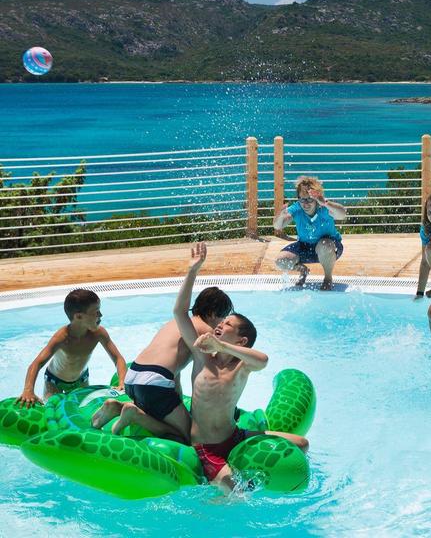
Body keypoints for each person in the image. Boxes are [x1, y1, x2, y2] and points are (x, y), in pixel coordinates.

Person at [175, 242, 309, 492]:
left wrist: (223, 347)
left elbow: (263, 360)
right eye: (221, 321)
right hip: (206, 446)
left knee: (302, 444)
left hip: (235, 437)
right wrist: (193, 271)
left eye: (227, 325)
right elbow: (179, 313)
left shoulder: (242, 366)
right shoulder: (202, 357)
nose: (219, 325)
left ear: (241, 341)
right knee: (236, 490)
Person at [91, 285, 233, 442]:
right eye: (223, 318)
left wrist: (176, 405)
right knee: (187, 436)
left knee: (160, 411)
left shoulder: (176, 323)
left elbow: (175, 374)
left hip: (134, 376)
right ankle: (134, 414)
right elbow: (202, 375)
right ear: (213, 313)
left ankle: (116, 408)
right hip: (154, 382)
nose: (221, 325)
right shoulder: (206, 331)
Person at [17, 289, 127, 408]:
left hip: (82, 379)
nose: (100, 315)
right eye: (96, 312)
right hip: (55, 382)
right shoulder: (62, 338)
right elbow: (36, 364)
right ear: (79, 316)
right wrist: (28, 390)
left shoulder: (99, 333)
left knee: (85, 410)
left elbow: (118, 359)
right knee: (51, 409)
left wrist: (122, 381)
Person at [274, 175, 347, 291]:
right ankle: (303, 270)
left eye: (309, 199)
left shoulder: (324, 208)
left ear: (317, 198)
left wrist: (325, 203)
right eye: (302, 199)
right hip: (305, 246)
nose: (305, 204)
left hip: (330, 248)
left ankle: (328, 278)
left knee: (325, 244)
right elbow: (278, 226)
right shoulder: (297, 208)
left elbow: (342, 214)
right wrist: (280, 216)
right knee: (281, 261)